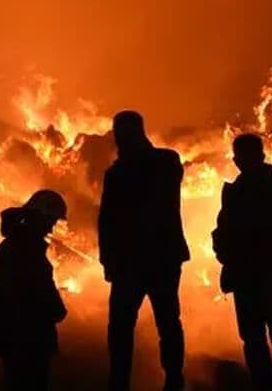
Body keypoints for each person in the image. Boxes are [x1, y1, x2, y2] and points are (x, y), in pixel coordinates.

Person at [212, 133, 272, 391]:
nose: (241, 161)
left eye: (245, 155)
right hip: (251, 274)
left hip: (266, 274)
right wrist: (225, 251)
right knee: (261, 337)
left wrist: (262, 241)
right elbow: (223, 230)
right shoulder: (239, 192)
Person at [98, 110, 190, 391]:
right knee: (167, 322)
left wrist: (108, 261)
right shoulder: (167, 161)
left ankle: (121, 381)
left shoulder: (120, 172)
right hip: (161, 258)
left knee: (123, 327)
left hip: (132, 262)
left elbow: (108, 220)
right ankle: (173, 378)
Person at [0, 190, 69, 391]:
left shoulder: (15, 242)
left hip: (14, 337)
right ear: (40, 215)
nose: (52, 226)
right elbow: (36, 288)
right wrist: (57, 309)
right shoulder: (25, 247)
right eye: (51, 219)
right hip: (26, 338)